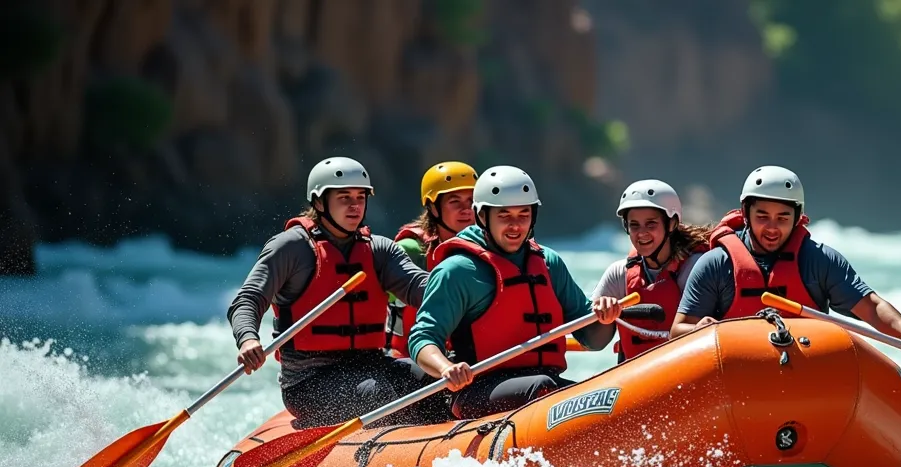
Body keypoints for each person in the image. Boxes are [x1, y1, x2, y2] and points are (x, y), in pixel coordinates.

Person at [227, 156, 452, 427]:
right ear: (320, 202)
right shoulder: (291, 248)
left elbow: (421, 287)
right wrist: (248, 339)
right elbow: (248, 299)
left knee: (439, 380)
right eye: (344, 197)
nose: (355, 206)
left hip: (372, 365)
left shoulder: (378, 250)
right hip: (309, 381)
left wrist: (464, 293)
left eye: (360, 197)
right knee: (376, 395)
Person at [407, 165, 625, 419]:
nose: (515, 225)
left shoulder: (548, 263)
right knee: (544, 387)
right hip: (477, 390)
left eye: (523, 214)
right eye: (504, 215)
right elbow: (422, 338)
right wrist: (446, 368)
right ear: (482, 216)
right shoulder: (456, 271)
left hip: (544, 386)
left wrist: (606, 317)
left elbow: (594, 340)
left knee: (600, 394)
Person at [669, 165, 901, 366]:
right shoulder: (716, 264)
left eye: (783, 218)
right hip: (736, 373)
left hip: (805, 370)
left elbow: (871, 307)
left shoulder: (818, 260)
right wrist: (699, 329)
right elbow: (677, 330)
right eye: (762, 216)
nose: (772, 228)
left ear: (798, 218)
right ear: (746, 213)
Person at [591, 179, 710, 362]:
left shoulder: (696, 268)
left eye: (651, 224)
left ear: (671, 224)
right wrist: (603, 315)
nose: (641, 233)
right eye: (634, 225)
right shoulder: (619, 274)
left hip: (687, 372)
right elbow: (594, 341)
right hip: (637, 379)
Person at [386, 160, 478, 358]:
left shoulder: (489, 250)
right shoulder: (411, 250)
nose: (467, 210)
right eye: (455, 202)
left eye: (472, 202)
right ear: (433, 208)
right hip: (413, 361)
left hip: (469, 361)